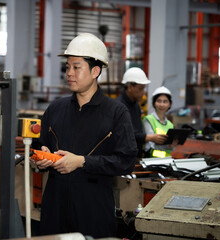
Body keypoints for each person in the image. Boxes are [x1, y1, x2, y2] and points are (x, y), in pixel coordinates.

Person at [32, 33, 137, 237]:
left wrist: (82, 162)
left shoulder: (116, 113)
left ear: (95, 71)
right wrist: (41, 157)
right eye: (67, 67)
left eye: (76, 67)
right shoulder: (55, 109)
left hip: (93, 210)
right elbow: (38, 146)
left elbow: (126, 161)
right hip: (54, 207)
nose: (69, 73)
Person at [116, 67, 167, 157]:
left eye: (144, 88)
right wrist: (150, 137)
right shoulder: (119, 106)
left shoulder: (135, 104)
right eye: (140, 89)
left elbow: (137, 129)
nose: (143, 92)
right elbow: (125, 133)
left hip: (135, 153)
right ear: (130, 87)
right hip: (123, 155)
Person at [142, 86, 175, 158]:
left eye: (165, 101)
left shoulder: (170, 125)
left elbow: (173, 148)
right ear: (154, 103)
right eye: (159, 101)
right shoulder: (148, 119)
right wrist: (168, 147)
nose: (161, 104)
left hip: (167, 161)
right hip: (151, 162)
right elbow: (149, 146)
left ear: (169, 104)